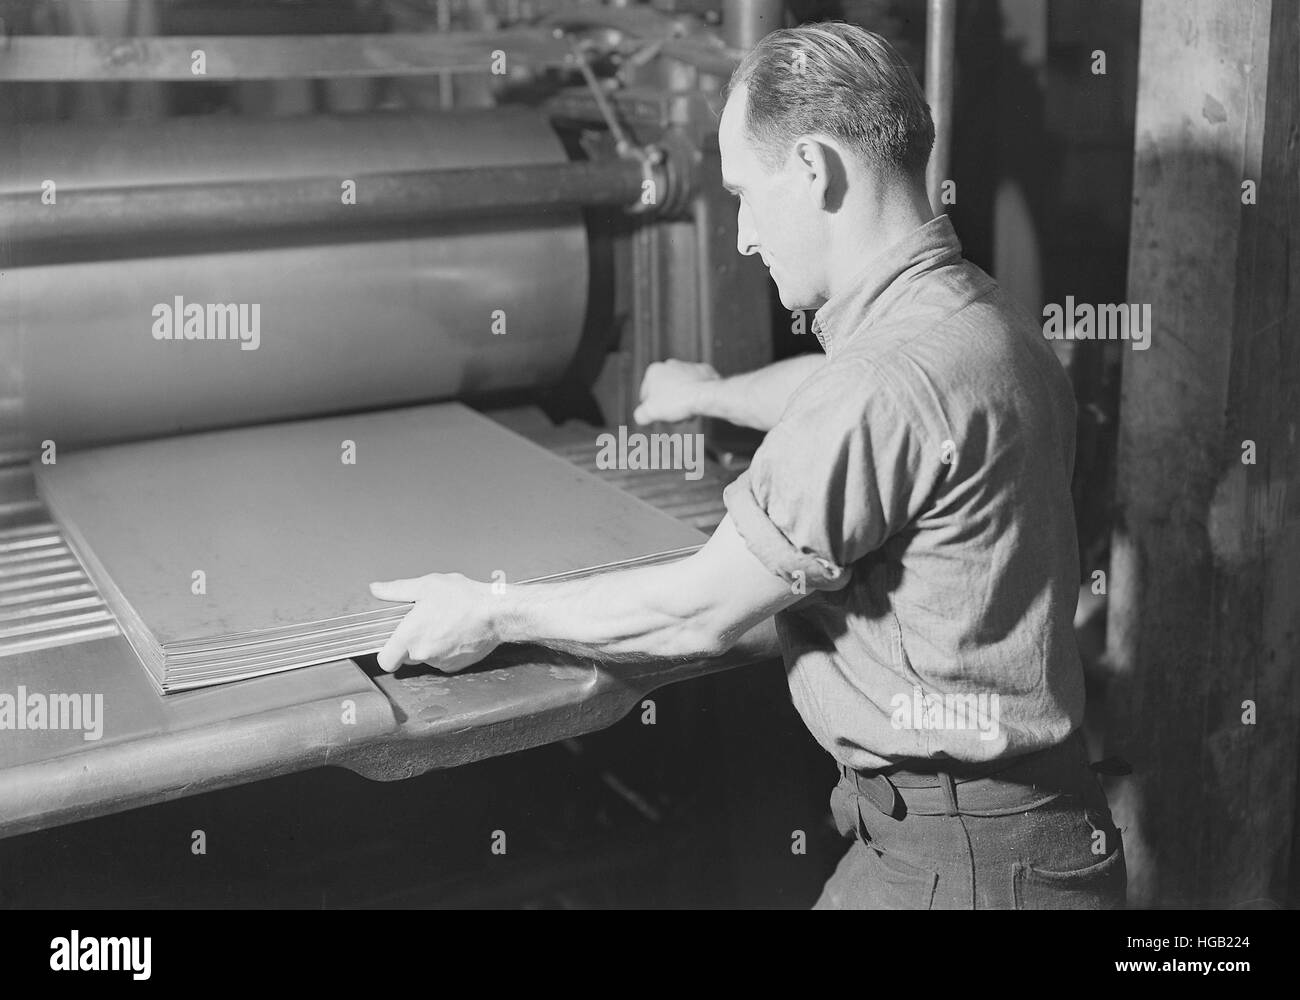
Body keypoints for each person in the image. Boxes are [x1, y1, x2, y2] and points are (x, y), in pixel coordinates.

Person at [370, 21, 1126, 909]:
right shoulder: (987, 323)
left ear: (813, 168)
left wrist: (494, 610)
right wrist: (715, 393)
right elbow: (868, 407)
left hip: (955, 869)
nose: (741, 236)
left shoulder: (878, 388)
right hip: (1038, 839)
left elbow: (699, 612)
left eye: (743, 195)